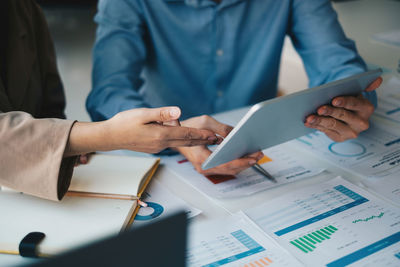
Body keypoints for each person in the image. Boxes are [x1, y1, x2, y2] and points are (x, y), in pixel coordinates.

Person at [87, 0, 382, 176]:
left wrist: (354, 99)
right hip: (164, 157)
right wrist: (174, 134)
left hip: (264, 145)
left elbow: (337, 61)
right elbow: (108, 92)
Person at [0, 0, 221, 201]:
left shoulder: (24, 9)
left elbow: (49, 112)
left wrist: (71, 144)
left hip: (42, 193)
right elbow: (107, 90)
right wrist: (99, 136)